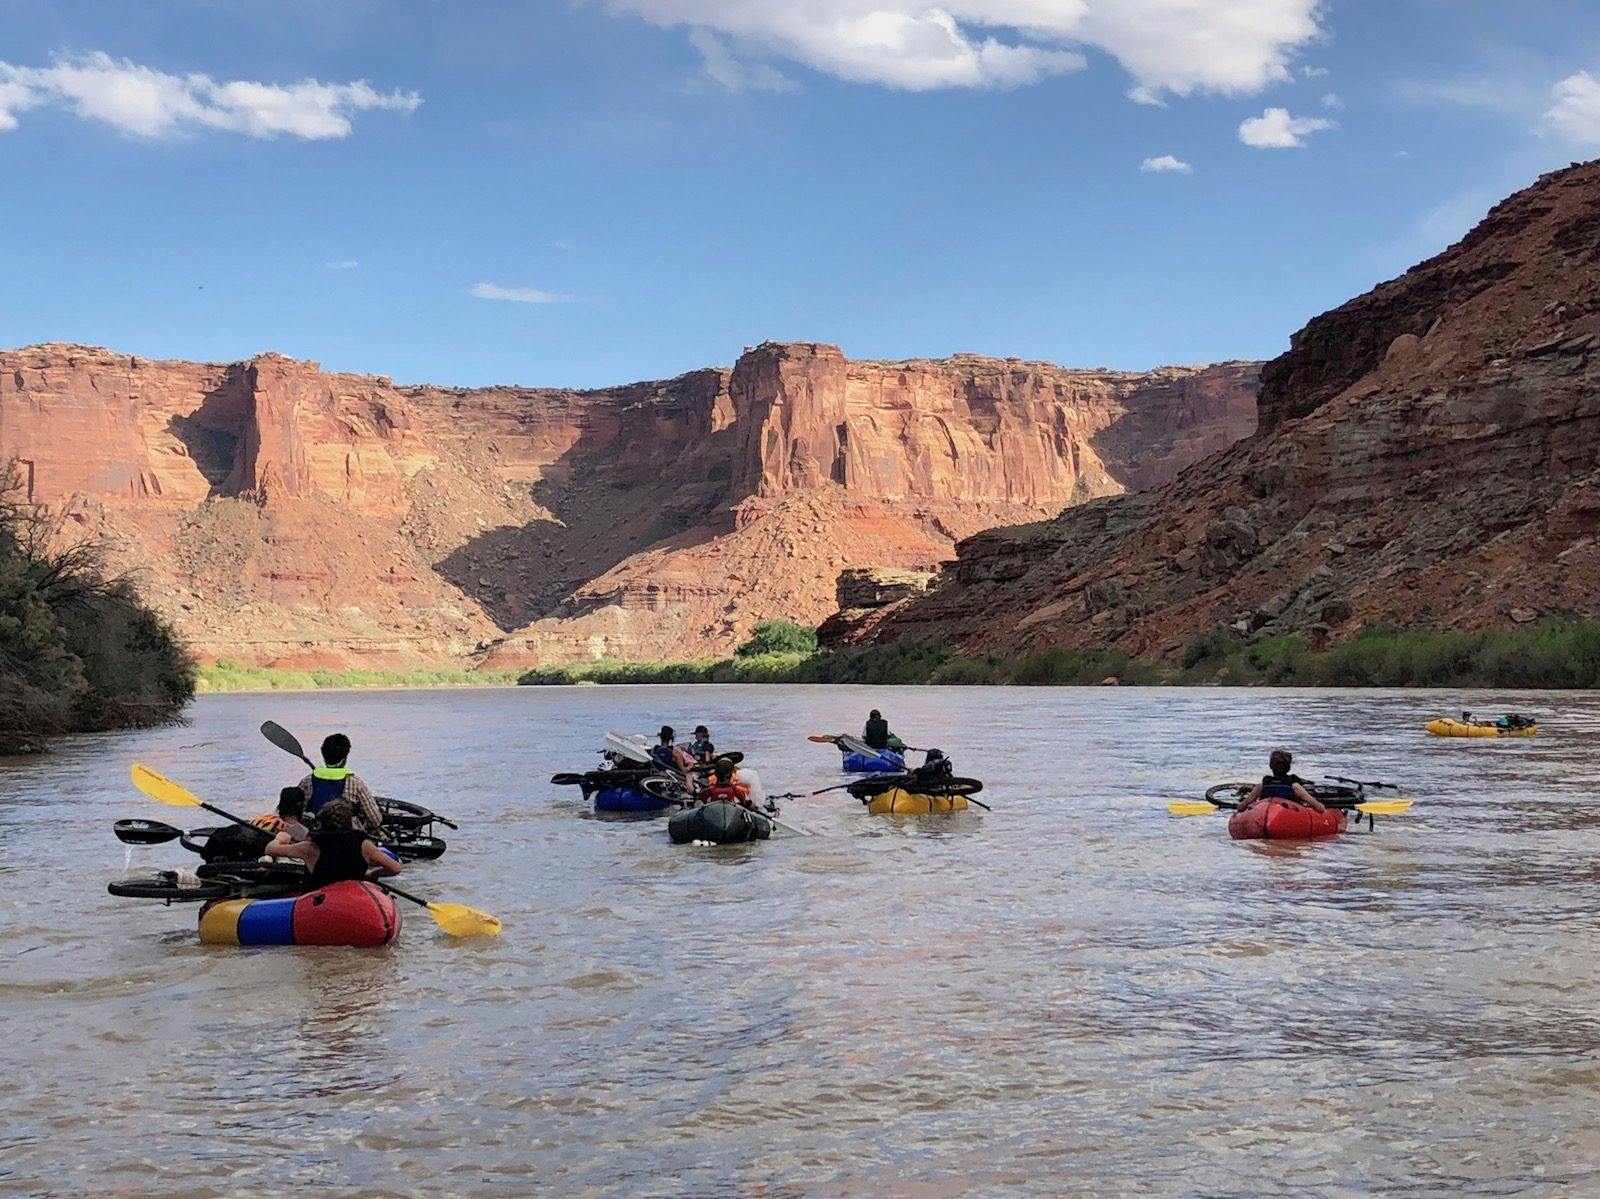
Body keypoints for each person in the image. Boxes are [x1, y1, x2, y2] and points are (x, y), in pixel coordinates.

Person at [267, 799, 402, 886]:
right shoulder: (364, 845)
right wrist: (372, 874)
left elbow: (270, 849)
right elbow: (395, 868)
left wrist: (280, 838)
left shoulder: (310, 848)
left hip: (319, 903)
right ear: (349, 822)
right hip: (354, 900)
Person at [297, 733, 384, 833]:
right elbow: (375, 820)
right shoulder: (355, 783)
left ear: (323, 754)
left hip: (315, 834)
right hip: (349, 838)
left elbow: (297, 811)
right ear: (345, 759)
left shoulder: (307, 781)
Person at [1237, 748, 1326, 813]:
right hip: (1288, 817)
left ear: (1271, 766)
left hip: (1265, 815)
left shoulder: (1263, 785)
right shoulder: (1294, 786)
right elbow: (1319, 808)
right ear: (1288, 767)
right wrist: (1322, 807)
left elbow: (1241, 808)